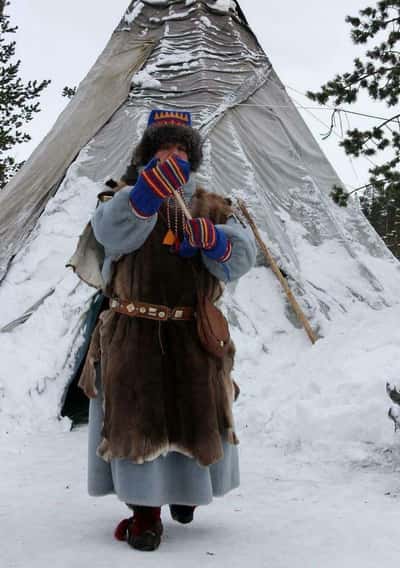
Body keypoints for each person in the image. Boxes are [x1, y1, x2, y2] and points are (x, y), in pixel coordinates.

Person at [78, 109, 257, 552]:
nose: (172, 155)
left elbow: (241, 259)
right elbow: (111, 238)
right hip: (134, 333)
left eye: (181, 149)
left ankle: (185, 497)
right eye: (163, 148)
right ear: (146, 155)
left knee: (196, 419)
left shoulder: (214, 206)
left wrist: (215, 240)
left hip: (192, 332)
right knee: (138, 425)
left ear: (191, 158)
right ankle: (144, 515)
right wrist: (142, 200)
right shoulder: (119, 198)